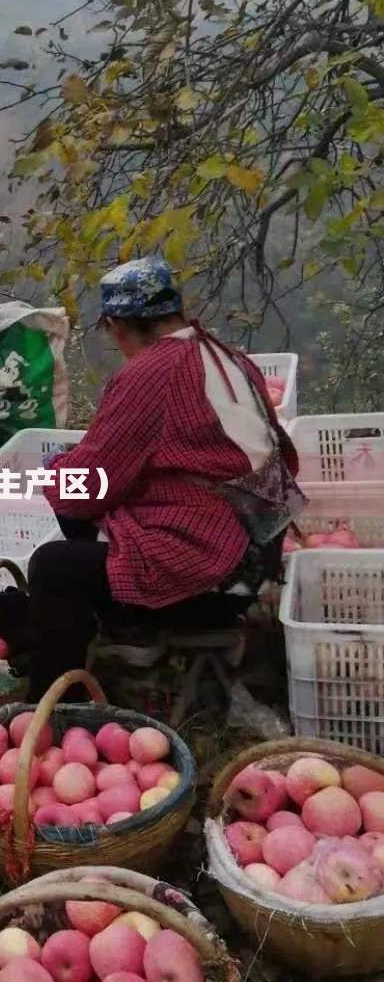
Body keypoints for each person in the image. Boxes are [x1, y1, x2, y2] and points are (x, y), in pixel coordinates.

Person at [26, 258, 303, 697]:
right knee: (97, 513)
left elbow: (86, 487)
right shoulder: (228, 357)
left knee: (54, 566)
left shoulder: (150, 374)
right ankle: (132, 623)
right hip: (260, 557)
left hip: (216, 577)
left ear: (117, 325)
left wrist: (53, 472)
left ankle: (56, 706)